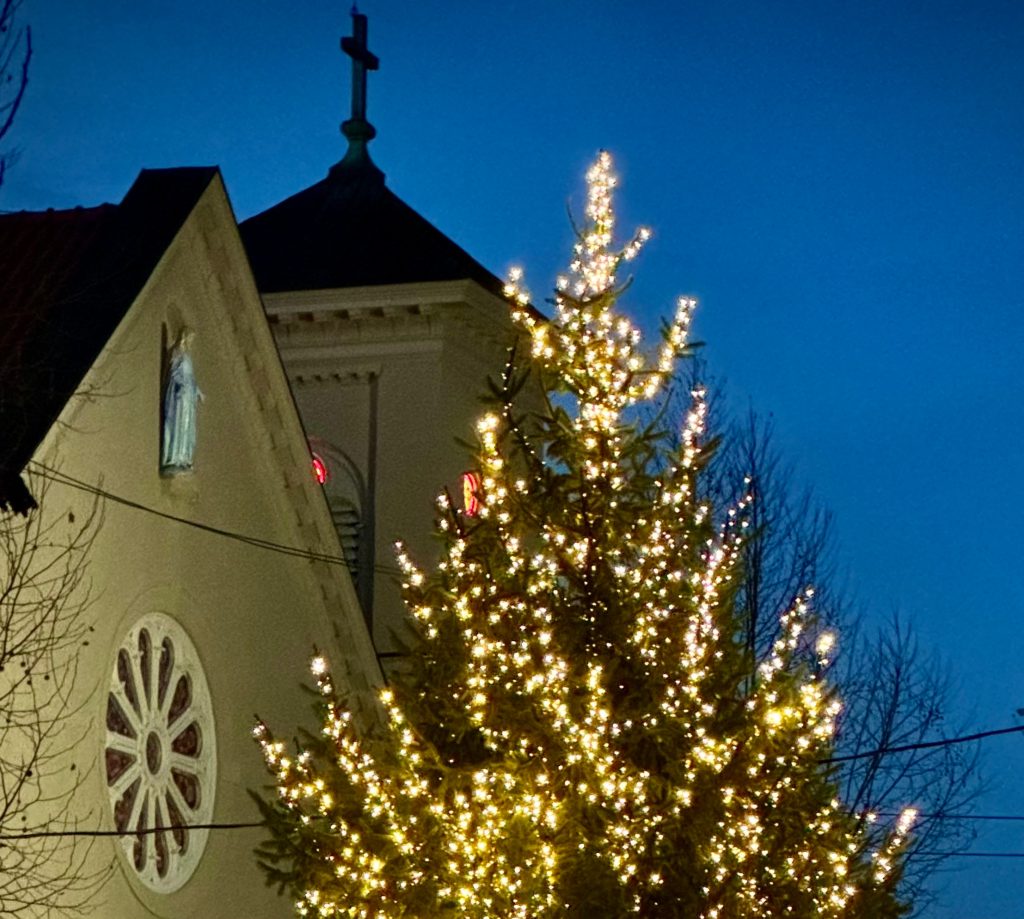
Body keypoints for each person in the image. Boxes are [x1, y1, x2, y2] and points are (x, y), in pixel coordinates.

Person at [161, 328, 203, 473]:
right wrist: (182, 385)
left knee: (186, 427)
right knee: (177, 425)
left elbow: (191, 378)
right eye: (189, 338)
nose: (191, 342)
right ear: (184, 338)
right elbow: (173, 373)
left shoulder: (188, 357)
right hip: (179, 396)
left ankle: (184, 458)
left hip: (188, 398)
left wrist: (198, 391)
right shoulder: (177, 352)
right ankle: (173, 457)